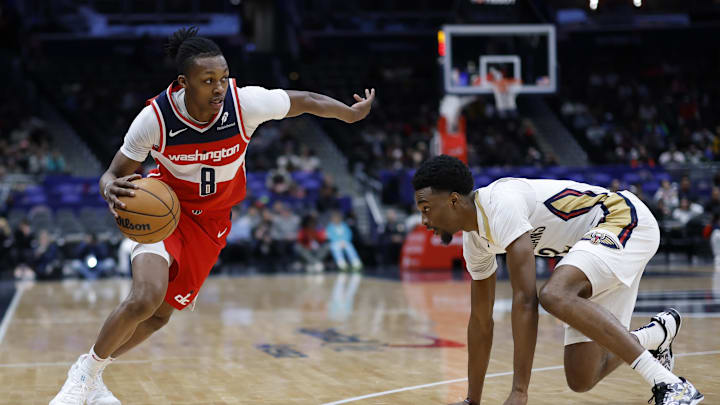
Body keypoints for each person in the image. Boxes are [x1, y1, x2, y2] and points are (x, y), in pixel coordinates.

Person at [50, 26, 375, 405]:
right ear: (183, 82)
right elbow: (114, 172)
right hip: (166, 213)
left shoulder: (244, 104)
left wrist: (347, 114)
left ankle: (94, 375)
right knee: (145, 298)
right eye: (208, 80)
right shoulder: (155, 119)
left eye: (223, 77)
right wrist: (108, 187)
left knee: (160, 317)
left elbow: (303, 100)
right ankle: (83, 375)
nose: (219, 87)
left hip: (213, 223)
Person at [411, 155, 703, 405]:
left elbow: (526, 300)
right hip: (589, 248)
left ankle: (670, 384)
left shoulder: (499, 203)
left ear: (452, 200)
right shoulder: (475, 243)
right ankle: (657, 333)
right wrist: (472, 400)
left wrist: (519, 391)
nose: (424, 221)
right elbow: (480, 322)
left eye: (426, 209)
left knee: (554, 294)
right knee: (582, 376)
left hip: (622, 219)